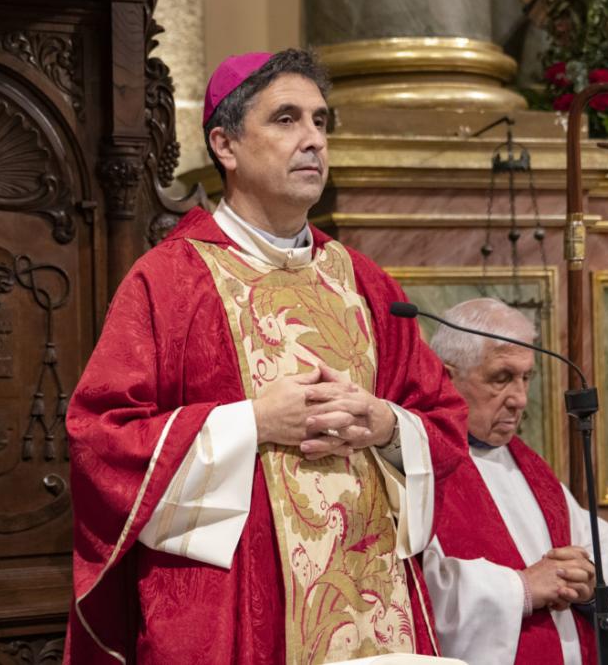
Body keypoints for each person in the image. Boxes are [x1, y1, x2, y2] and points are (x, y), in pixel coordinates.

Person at [64, 49, 469, 664]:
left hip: (372, 602)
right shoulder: (171, 281)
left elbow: (444, 423)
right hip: (234, 613)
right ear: (225, 145)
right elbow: (100, 440)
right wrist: (252, 423)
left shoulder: (366, 284)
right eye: (286, 120)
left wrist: (386, 425)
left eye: (321, 121)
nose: (313, 140)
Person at [422, 298, 608, 665]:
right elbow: (415, 593)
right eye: (501, 378)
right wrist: (520, 588)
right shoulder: (422, 464)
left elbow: (607, 547)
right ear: (446, 375)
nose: (520, 399)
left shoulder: (526, 463)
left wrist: (588, 578)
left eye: (526, 378)